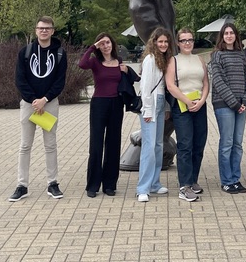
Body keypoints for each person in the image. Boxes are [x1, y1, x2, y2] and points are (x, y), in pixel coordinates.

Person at [10, 15, 67, 202]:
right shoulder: (25, 52)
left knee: (50, 145)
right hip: (29, 104)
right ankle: (22, 185)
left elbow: (60, 82)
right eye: (41, 28)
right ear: (36, 30)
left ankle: (52, 183)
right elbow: (20, 80)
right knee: (25, 145)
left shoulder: (59, 53)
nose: (44, 31)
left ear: (53, 30)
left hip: (49, 104)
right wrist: (34, 100)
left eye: (47, 28)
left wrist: (45, 99)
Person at [78, 32, 130, 198]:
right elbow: (82, 64)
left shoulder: (119, 62)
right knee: (96, 144)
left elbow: (129, 80)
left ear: (112, 44)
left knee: (113, 144)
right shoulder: (95, 62)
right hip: (99, 104)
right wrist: (93, 47)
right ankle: (93, 185)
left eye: (108, 42)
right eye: (102, 44)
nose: (106, 46)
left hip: (116, 104)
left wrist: (127, 71)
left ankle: (109, 184)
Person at [167, 26, 210, 201]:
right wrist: (186, 100)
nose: (187, 43)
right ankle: (184, 186)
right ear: (178, 43)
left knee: (199, 143)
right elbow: (170, 85)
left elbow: (206, 82)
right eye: (184, 40)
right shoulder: (173, 61)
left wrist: (201, 100)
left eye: (190, 40)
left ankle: (193, 180)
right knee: (185, 145)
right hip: (182, 106)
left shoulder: (199, 59)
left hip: (199, 105)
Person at [208, 20, 246, 194]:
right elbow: (218, 81)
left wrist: (245, 101)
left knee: (238, 143)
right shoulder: (217, 55)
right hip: (224, 105)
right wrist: (233, 103)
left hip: (241, 105)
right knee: (226, 143)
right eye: (226, 33)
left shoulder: (241, 54)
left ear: (236, 36)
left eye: (231, 33)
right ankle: (226, 181)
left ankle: (235, 178)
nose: (229, 36)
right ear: (222, 36)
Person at [136, 28, 172, 203]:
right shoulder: (150, 59)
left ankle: (154, 183)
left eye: (166, 42)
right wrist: (148, 111)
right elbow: (145, 88)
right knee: (149, 148)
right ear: (154, 42)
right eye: (160, 42)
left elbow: (163, 87)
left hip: (160, 102)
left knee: (158, 145)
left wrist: (164, 107)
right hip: (150, 105)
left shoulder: (164, 59)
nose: (163, 44)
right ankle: (143, 187)